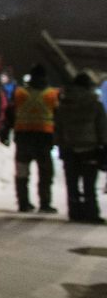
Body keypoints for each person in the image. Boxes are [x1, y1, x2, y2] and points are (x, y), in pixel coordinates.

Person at [3, 64, 60, 215]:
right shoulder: (51, 94)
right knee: (45, 173)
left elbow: (9, 113)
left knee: (22, 172)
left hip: (23, 138)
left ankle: (23, 202)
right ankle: (45, 203)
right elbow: (58, 116)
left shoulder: (20, 92)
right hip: (43, 138)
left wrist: (6, 131)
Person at [55, 71, 105, 224]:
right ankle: (91, 213)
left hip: (69, 148)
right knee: (89, 184)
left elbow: (58, 127)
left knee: (72, 182)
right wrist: (103, 144)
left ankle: (74, 211)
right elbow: (102, 127)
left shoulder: (64, 103)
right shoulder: (95, 104)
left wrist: (61, 145)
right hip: (90, 148)